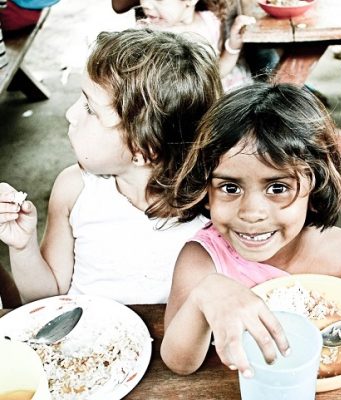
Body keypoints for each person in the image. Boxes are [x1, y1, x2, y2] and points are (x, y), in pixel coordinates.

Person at [0, 28, 223, 304]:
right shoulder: (74, 190)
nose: (70, 114)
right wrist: (23, 247)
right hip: (85, 342)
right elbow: (46, 299)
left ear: (144, 149)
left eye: (90, 109)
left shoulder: (212, 206)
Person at [160, 82, 341, 376]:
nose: (252, 213)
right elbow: (179, 362)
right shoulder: (203, 262)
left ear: (316, 184)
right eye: (230, 187)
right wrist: (205, 294)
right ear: (205, 189)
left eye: (278, 187)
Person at [133, 0, 256, 92]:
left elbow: (218, 72)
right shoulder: (148, 34)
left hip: (221, 93)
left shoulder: (211, 22)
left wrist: (233, 43)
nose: (146, 4)